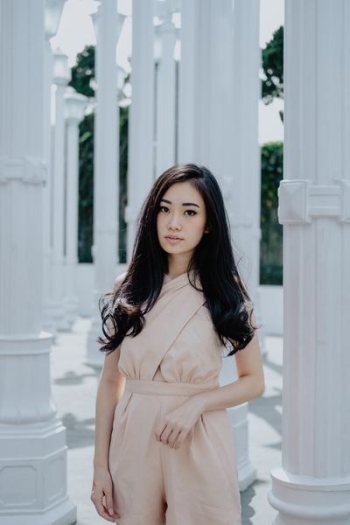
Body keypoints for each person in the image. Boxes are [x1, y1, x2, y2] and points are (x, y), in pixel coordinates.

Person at [91, 163, 265, 524]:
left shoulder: (225, 291)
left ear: (209, 223)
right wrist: (100, 465)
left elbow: (254, 380)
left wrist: (197, 403)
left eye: (189, 212)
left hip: (198, 435)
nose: (173, 223)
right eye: (165, 209)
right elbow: (111, 382)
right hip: (134, 440)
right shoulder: (129, 287)